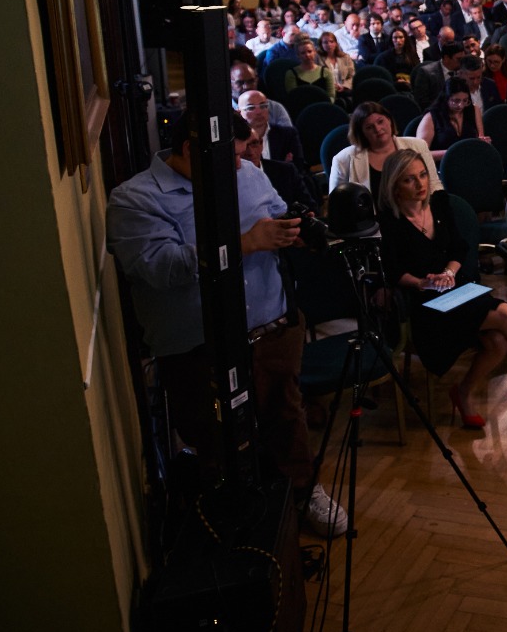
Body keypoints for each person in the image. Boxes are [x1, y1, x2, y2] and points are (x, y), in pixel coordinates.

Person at [106, 113, 346, 538]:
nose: (243, 164)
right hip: (200, 348)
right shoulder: (135, 199)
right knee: (214, 437)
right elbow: (157, 268)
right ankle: (239, 526)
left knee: (286, 417)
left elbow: (274, 215)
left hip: (272, 328)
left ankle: (304, 493)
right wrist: (247, 242)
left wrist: (296, 230)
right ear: (190, 151)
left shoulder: (249, 175)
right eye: (234, 155)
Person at [376, 149, 507, 429]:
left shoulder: (438, 203)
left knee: (499, 342)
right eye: (409, 180)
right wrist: (421, 282)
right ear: (394, 185)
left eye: (423, 175)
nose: (420, 184)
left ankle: (463, 393)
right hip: (426, 303)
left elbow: (459, 249)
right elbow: (392, 272)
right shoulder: (389, 222)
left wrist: (449, 272)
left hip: (455, 287)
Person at [327, 101, 441, 199]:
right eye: (369, 127)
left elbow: (434, 186)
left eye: (380, 121)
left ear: (389, 120)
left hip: (419, 215)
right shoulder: (343, 159)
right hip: (373, 222)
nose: (377, 129)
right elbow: (337, 204)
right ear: (361, 133)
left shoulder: (418, 146)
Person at [415, 76, 488, 160]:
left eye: (465, 101)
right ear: (446, 98)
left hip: (469, 161)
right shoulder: (431, 117)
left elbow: (480, 139)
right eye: (456, 101)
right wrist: (454, 152)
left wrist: (483, 142)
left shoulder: (474, 110)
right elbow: (421, 153)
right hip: (443, 164)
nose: (460, 105)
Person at [238, 90, 305, 165]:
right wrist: (283, 167)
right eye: (251, 108)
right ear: (239, 112)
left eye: (263, 106)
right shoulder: (237, 140)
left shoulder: (288, 134)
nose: (259, 112)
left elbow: (298, 167)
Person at [411, 41, 467, 110]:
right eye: (459, 59)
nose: (462, 62)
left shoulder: (464, 71)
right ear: (446, 58)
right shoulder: (426, 73)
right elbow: (422, 102)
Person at [283, 38, 335, 103]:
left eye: (309, 51)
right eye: (303, 53)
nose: (307, 55)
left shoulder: (326, 72)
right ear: (298, 55)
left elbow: (331, 96)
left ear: (315, 52)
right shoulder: (291, 74)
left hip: (323, 107)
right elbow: (293, 98)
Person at [316, 31, 355, 96]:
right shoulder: (317, 58)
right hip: (326, 91)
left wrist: (344, 86)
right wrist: (331, 86)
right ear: (321, 45)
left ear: (336, 43)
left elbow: (352, 76)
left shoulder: (345, 57)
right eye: (325, 42)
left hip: (344, 90)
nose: (329, 45)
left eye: (331, 42)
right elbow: (317, 77)